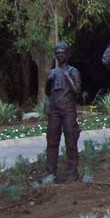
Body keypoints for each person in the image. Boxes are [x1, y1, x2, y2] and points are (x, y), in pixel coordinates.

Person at [45, 42, 81, 182]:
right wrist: (48, 82)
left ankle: (72, 172)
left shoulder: (73, 71)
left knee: (71, 140)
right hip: (54, 110)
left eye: (63, 52)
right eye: (58, 52)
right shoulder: (52, 72)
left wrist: (68, 78)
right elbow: (48, 92)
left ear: (68, 54)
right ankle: (50, 172)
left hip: (68, 110)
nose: (60, 55)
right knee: (52, 141)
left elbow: (77, 90)